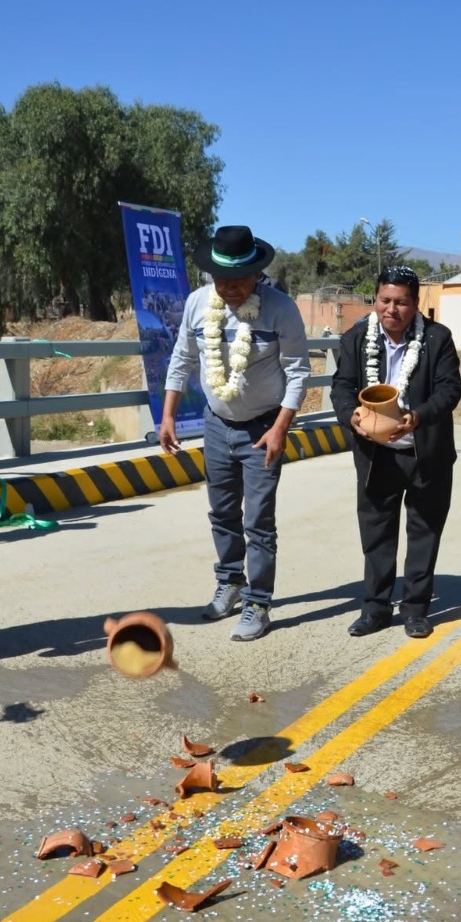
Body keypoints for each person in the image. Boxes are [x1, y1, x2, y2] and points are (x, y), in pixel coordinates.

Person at [160, 225, 310, 642]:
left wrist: (281, 428)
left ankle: (258, 603)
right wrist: (168, 417)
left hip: (264, 427)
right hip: (216, 423)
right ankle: (230, 582)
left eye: (239, 282)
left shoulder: (280, 309)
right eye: (222, 281)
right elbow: (181, 360)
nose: (229, 290)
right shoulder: (196, 305)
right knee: (222, 512)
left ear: (256, 275)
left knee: (259, 521)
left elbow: (299, 373)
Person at [330, 266, 461, 639]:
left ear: (415, 304)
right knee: (376, 535)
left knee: (425, 532)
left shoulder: (437, 339)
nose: (392, 309)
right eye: (385, 300)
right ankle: (374, 608)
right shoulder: (357, 338)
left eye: (402, 302)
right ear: (375, 300)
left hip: (425, 454)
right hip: (376, 457)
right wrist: (349, 416)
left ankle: (416, 609)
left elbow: (449, 389)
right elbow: (341, 387)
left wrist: (418, 416)